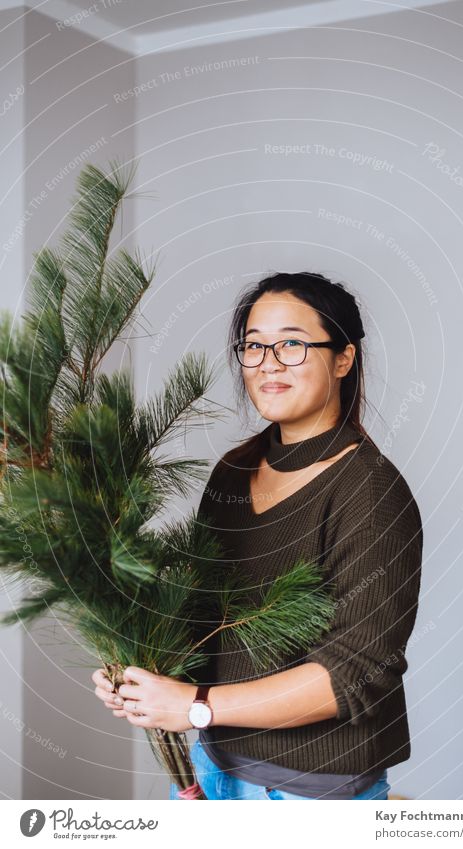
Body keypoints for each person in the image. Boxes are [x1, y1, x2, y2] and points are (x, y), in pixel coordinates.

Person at [92, 271, 423, 800]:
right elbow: (205, 620)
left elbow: (356, 673)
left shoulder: (370, 491)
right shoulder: (232, 472)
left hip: (309, 791)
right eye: (253, 345)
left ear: (343, 358)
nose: (268, 361)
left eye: (292, 343)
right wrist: (139, 677)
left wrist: (194, 705)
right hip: (214, 765)